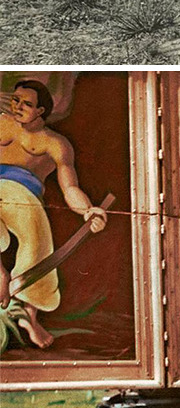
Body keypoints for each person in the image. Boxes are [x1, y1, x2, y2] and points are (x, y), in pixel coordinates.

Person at [0, 79, 107, 348]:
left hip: (23, 197)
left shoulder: (56, 144)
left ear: (41, 111)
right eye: (16, 100)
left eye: (27, 104)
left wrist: (87, 211)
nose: (18, 107)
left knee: (38, 239)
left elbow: (70, 187)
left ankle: (27, 314)